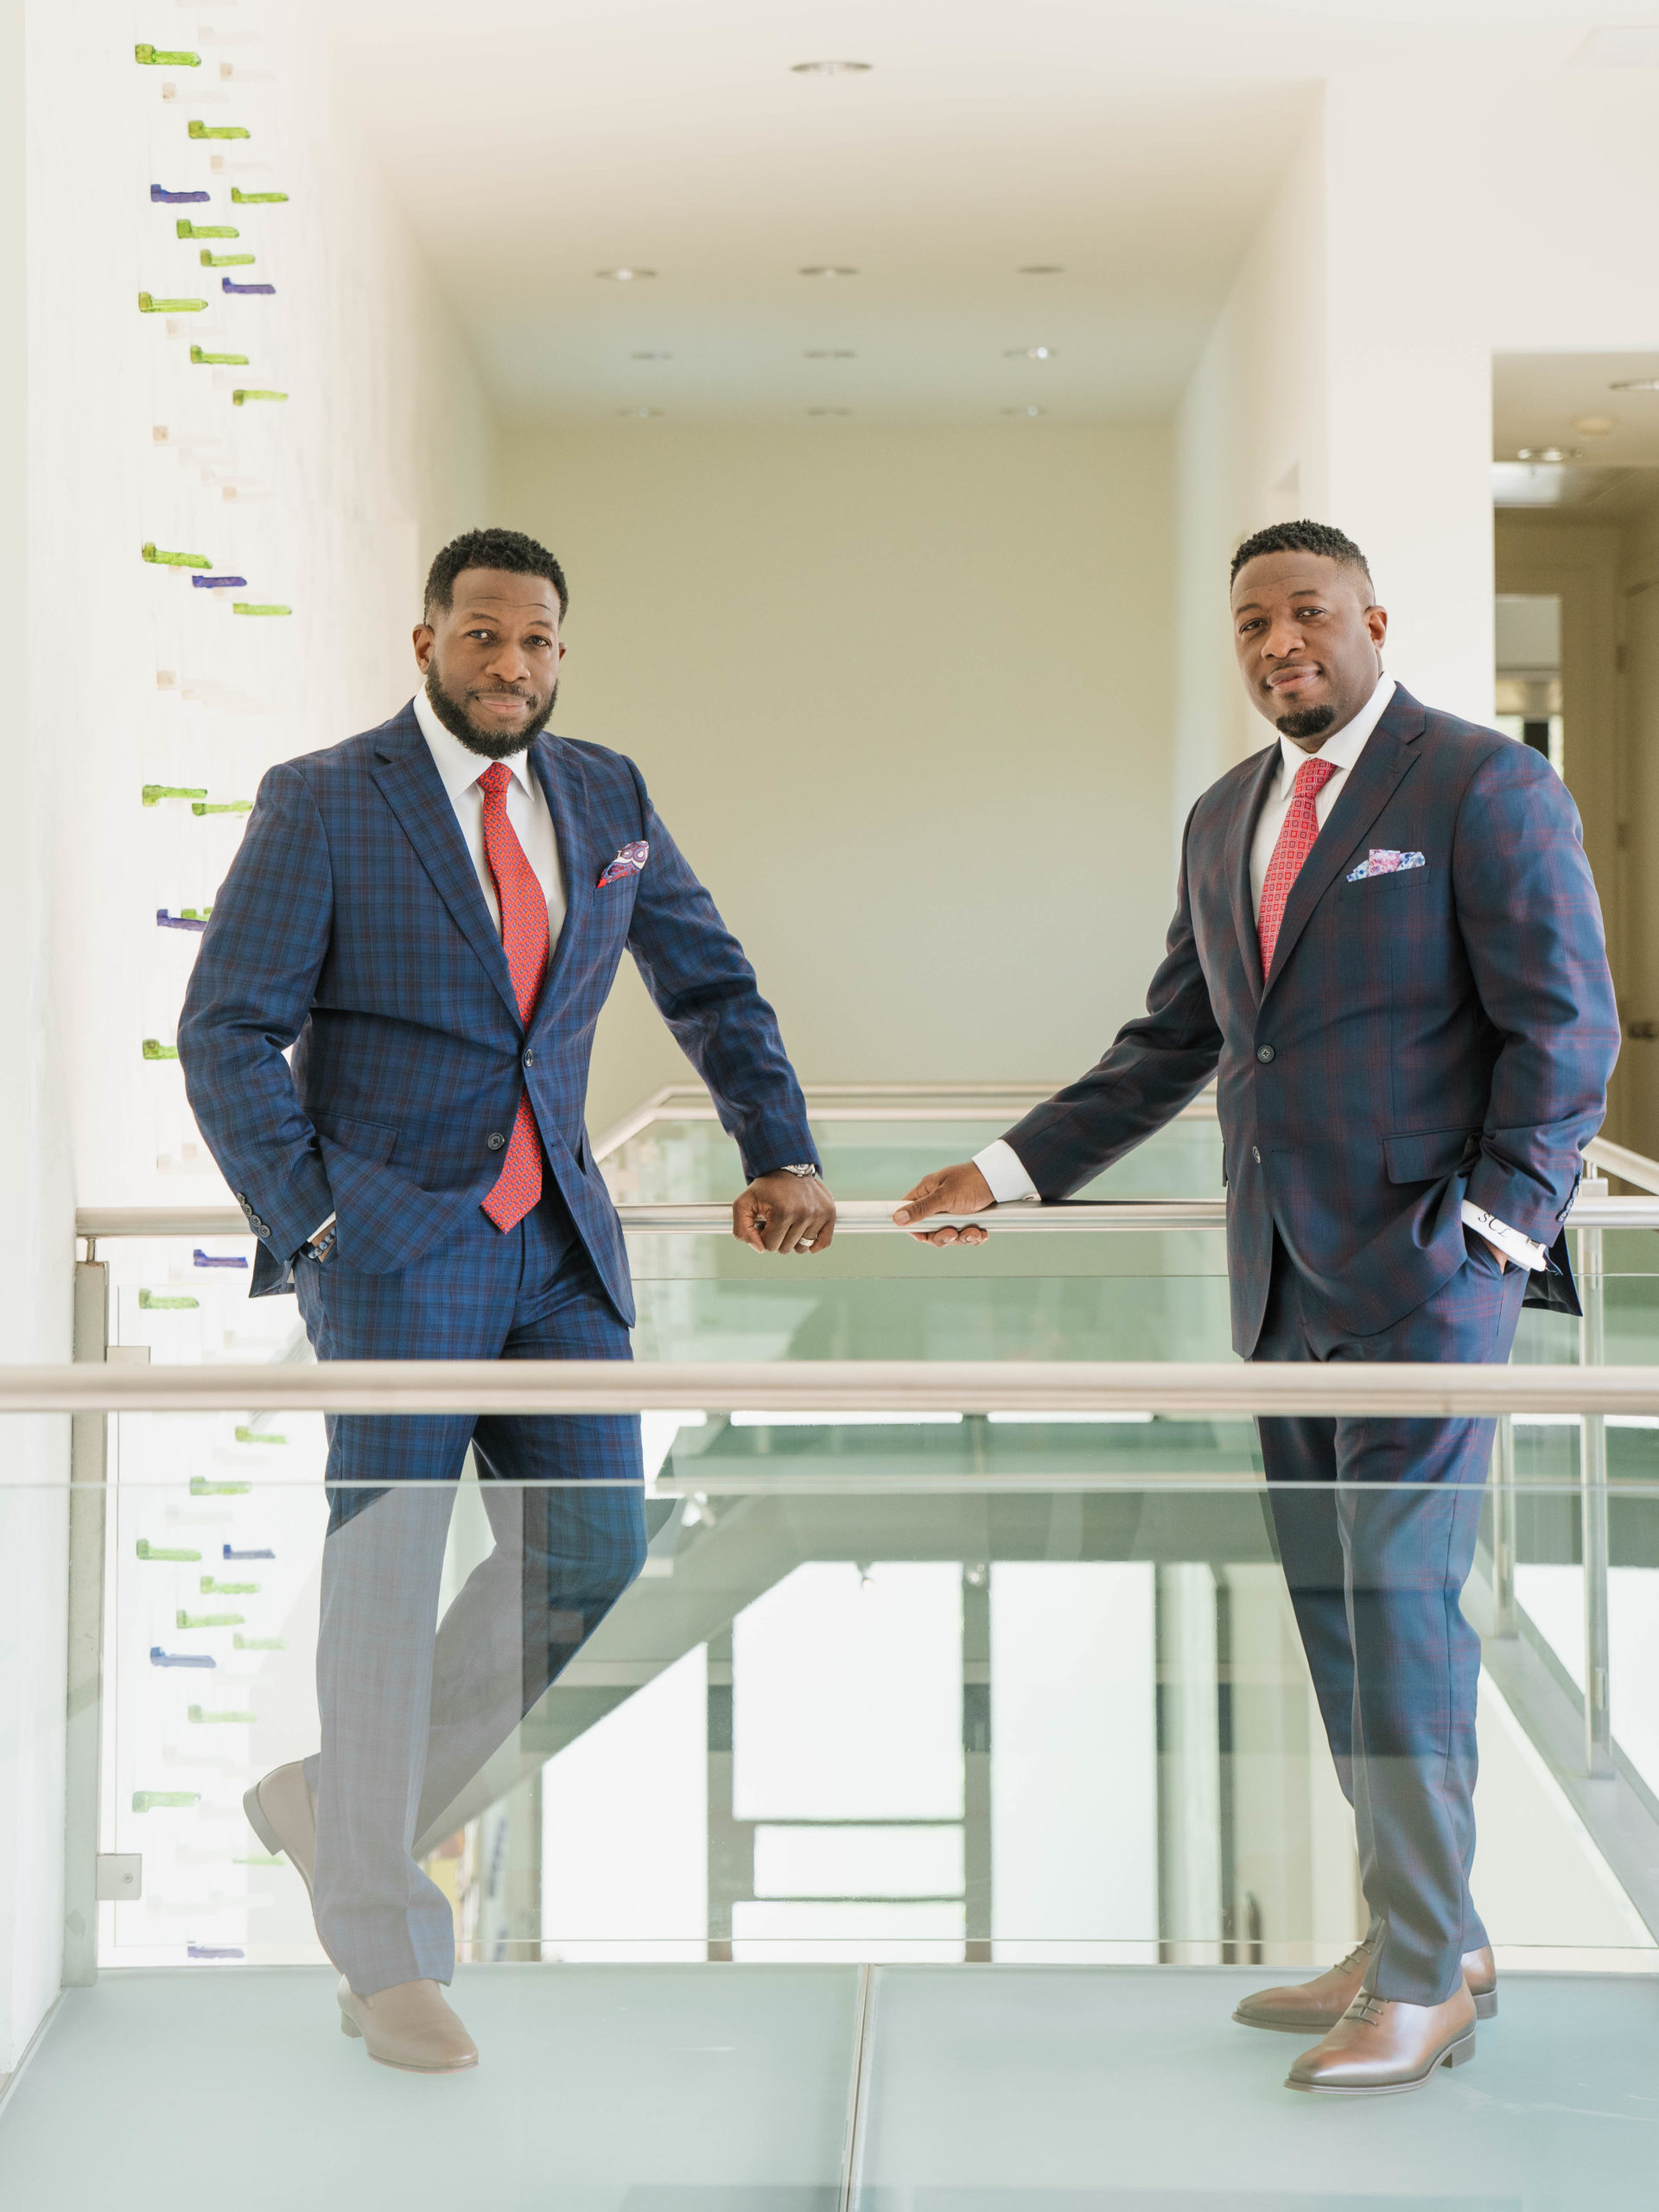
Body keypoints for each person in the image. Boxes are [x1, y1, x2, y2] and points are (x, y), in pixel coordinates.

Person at [893, 518, 1618, 2097]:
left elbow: (1568, 1032)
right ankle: (1433, 1932)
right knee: (1341, 1620)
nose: (1280, 641)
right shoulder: (1229, 814)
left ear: (1372, 620)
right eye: (1252, 623)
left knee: (1403, 1611)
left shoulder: (1483, 784)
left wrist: (1490, 1239)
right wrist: (1007, 1171)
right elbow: (1179, 1041)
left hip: (1430, 1287)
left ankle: (1420, 1983)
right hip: (1281, 1280)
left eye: (1307, 612)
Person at [179, 526, 835, 2073]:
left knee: (594, 1552)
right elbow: (225, 1030)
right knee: (387, 1584)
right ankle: (384, 1946)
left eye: (538, 640)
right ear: (428, 643)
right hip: (396, 1248)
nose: (512, 664)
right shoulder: (326, 799)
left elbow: (710, 984)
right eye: (483, 635)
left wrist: (780, 1149)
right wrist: (319, 1221)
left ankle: (339, 1807)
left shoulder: (605, 794)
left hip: (560, 1250)